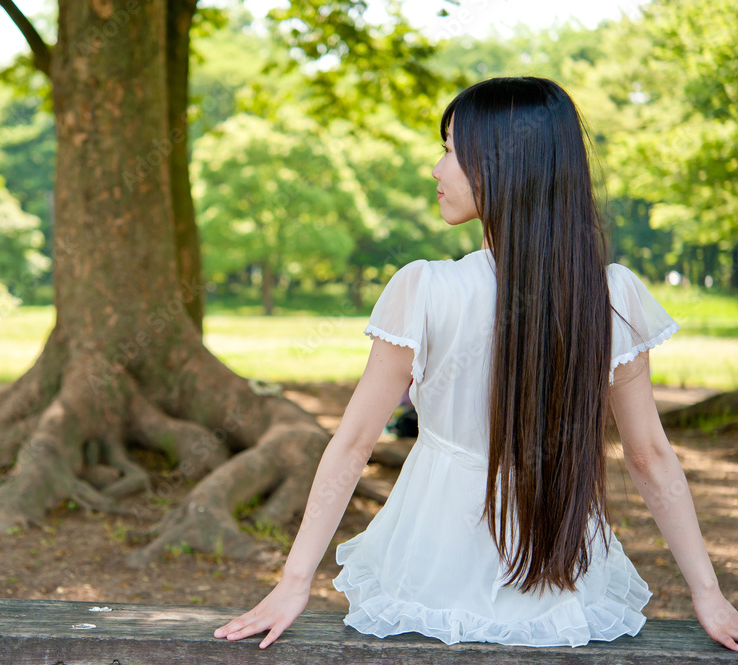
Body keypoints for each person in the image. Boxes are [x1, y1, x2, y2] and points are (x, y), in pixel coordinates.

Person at [214, 76, 738, 651]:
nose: (436, 170)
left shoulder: (426, 287)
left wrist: (296, 582)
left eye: (449, 151)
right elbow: (648, 455)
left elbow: (354, 441)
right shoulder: (609, 294)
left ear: (501, 167)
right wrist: (707, 591)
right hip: (560, 583)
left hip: (428, 569)